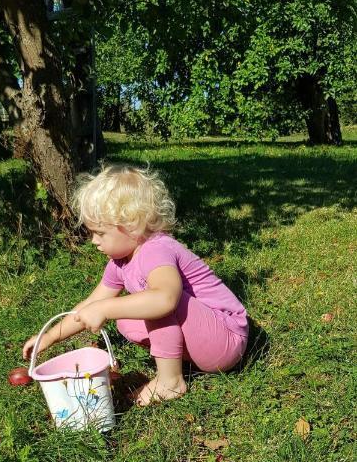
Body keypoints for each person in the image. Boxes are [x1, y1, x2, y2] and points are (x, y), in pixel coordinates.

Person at [23, 164, 249, 406]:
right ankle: (177, 360)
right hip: (206, 339)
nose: (93, 241)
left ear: (132, 226)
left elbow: (165, 299)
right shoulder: (119, 263)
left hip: (226, 337)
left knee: (150, 301)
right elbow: (91, 303)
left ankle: (170, 382)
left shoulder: (156, 249)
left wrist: (106, 309)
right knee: (127, 319)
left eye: (100, 233)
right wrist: (50, 337)